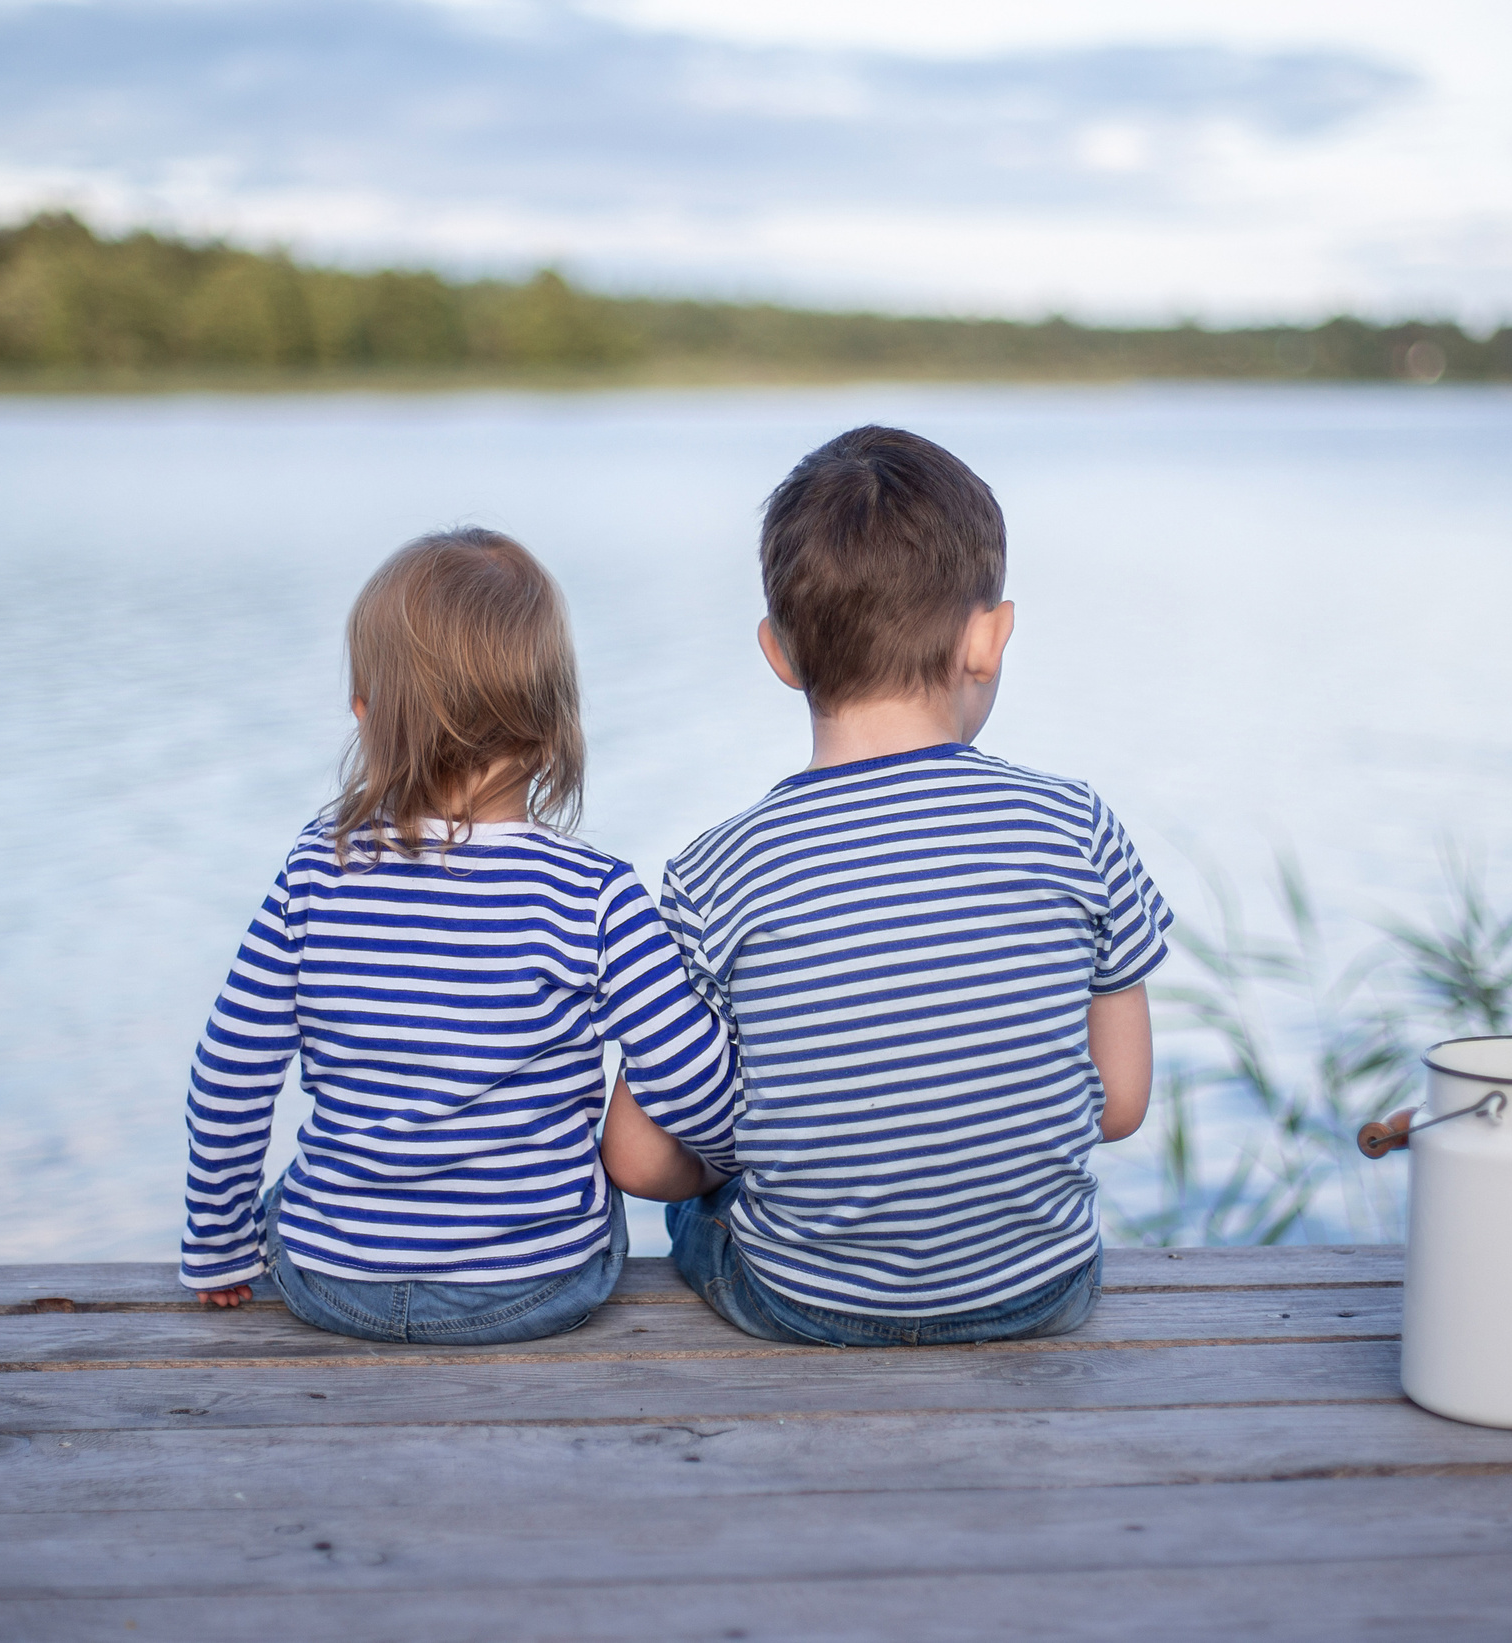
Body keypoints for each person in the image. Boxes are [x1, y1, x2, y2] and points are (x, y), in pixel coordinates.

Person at [601, 425, 1169, 1346]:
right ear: (990, 637)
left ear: (778, 653)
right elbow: (1121, 1101)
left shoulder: (716, 873)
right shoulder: (1078, 827)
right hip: (1040, 1290)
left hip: (803, 1300)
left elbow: (634, 1155)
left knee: (705, 1207)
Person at [179, 528, 738, 1343]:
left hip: (337, 1282)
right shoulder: (596, 894)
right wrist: (740, 1165)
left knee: (288, 1203)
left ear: (367, 714)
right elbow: (693, 1082)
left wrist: (218, 1245)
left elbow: (229, 1071)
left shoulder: (315, 867)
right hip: (537, 1282)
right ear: (552, 728)